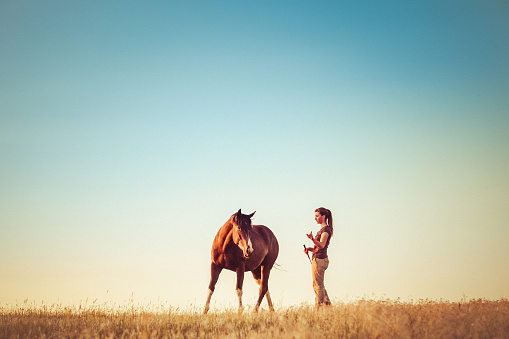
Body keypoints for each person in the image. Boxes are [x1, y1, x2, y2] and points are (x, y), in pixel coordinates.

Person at [304, 207, 333, 306]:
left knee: (318, 286)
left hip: (320, 260)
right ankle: (329, 307)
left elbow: (322, 245)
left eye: (317, 216)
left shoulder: (325, 230)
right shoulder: (323, 229)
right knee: (318, 285)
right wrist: (310, 249)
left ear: (323, 216)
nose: (315, 218)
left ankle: (318, 308)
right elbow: (318, 247)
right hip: (319, 259)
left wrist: (312, 239)